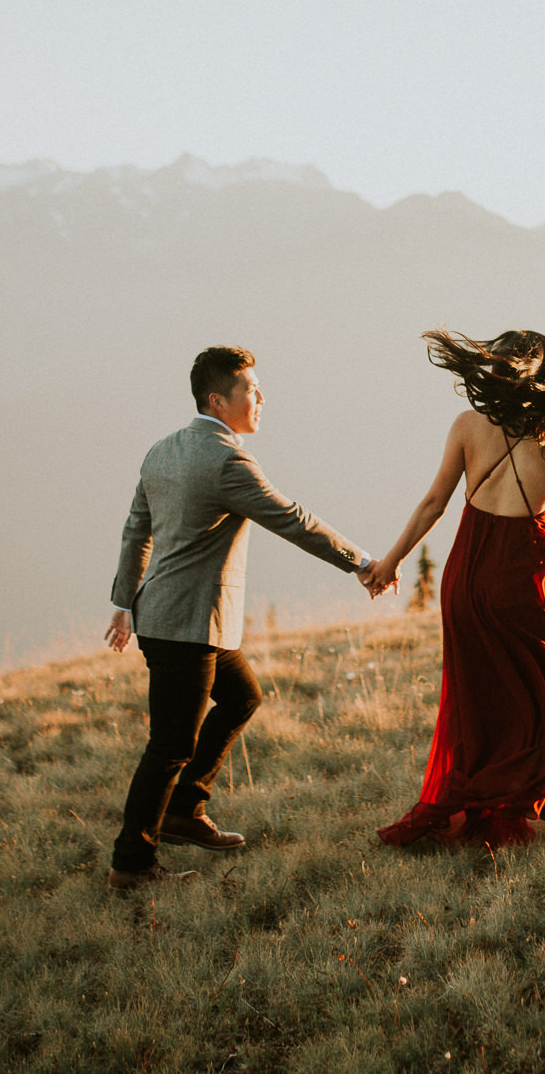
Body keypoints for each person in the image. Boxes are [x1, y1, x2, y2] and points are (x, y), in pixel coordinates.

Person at [105, 345, 386, 889]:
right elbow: (292, 519)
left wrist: (123, 604)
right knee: (169, 746)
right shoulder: (226, 461)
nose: (261, 398)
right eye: (250, 390)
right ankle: (132, 865)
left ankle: (185, 810)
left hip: (170, 618)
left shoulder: (161, 450)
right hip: (188, 625)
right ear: (218, 400)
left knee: (241, 697)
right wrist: (361, 562)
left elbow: (136, 530)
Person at [365, 329, 545, 847]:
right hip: (523, 574)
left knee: (477, 696)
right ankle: (537, 788)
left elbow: (434, 503)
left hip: (466, 575)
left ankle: (491, 793)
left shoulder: (467, 425)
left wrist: (391, 562)